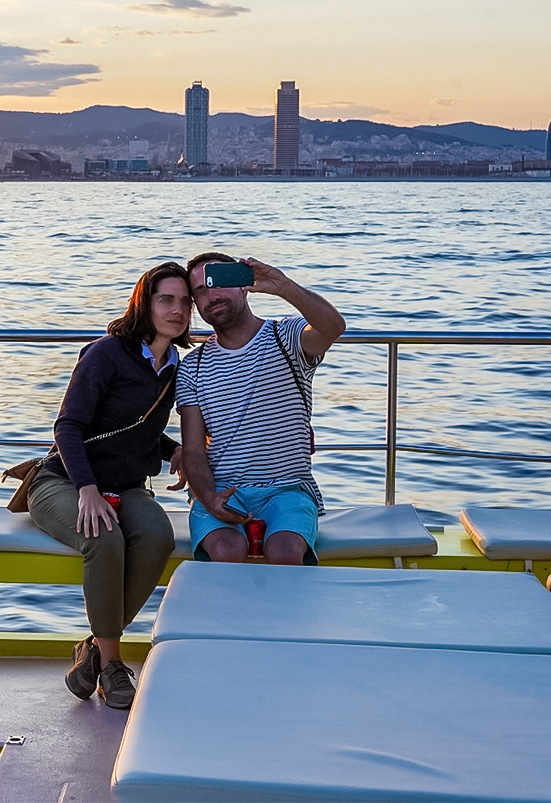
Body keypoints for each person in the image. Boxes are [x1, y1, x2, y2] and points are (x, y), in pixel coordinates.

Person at [26, 262, 188, 709]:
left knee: (158, 537)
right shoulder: (106, 353)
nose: (178, 310)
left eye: (185, 301)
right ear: (145, 304)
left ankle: (92, 650)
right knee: (104, 536)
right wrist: (88, 489)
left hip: (127, 484)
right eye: (166, 300)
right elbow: (69, 427)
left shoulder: (175, 365)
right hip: (64, 481)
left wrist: (173, 450)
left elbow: (138, 431)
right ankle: (113, 665)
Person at [171, 253, 345, 565]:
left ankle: (286, 616)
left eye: (218, 282)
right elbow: (194, 451)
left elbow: (333, 327)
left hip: (287, 490)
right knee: (226, 550)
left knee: (285, 551)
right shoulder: (192, 368)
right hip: (223, 489)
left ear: (242, 285)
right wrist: (209, 498)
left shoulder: (286, 338)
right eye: (199, 291)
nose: (211, 295)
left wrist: (282, 285)